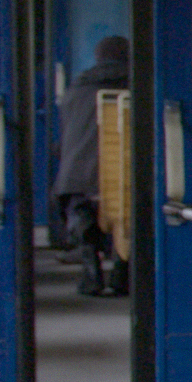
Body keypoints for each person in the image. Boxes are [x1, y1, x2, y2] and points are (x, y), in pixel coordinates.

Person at [52, 35, 130, 296]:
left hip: (77, 177)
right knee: (128, 204)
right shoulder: (139, 85)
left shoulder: (76, 89)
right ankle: (121, 273)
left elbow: (65, 138)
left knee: (80, 205)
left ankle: (91, 271)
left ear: (98, 57)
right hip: (123, 174)